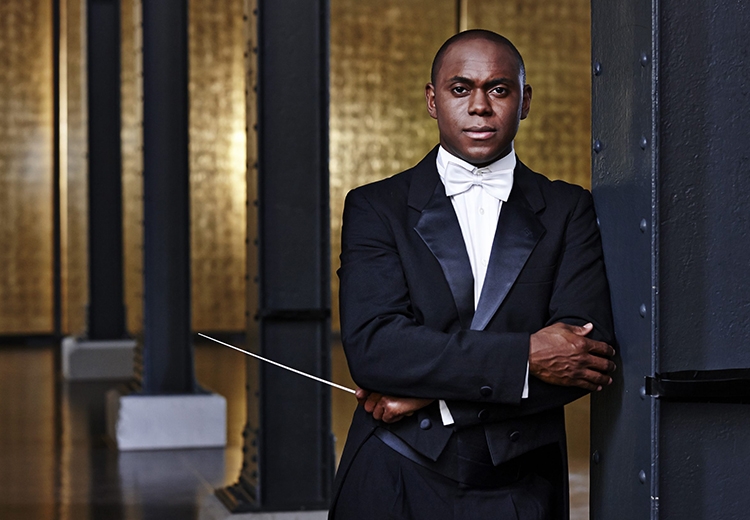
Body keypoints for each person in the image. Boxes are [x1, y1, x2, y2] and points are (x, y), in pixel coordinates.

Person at [331, 29, 615, 520]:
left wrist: (427, 395)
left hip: (522, 485)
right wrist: (525, 354)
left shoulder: (568, 209)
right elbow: (375, 350)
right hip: (394, 472)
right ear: (432, 100)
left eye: (499, 89)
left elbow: (585, 360)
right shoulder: (375, 207)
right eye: (460, 89)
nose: (480, 106)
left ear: (523, 102)